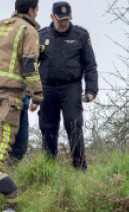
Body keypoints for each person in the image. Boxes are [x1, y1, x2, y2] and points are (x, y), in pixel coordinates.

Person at [0, 0, 44, 171]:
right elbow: (29, 64)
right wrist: (37, 94)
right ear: (30, 10)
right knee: (3, 137)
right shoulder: (29, 31)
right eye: (36, 10)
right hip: (9, 94)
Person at [38, 2, 98, 171]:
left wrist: (91, 90)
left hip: (71, 87)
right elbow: (31, 66)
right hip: (47, 88)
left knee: (74, 124)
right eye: (60, 20)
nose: (64, 23)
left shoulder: (81, 35)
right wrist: (32, 93)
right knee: (48, 128)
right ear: (52, 17)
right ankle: (48, 169)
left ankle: (80, 168)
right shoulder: (41, 36)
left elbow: (90, 65)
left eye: (67, 19)